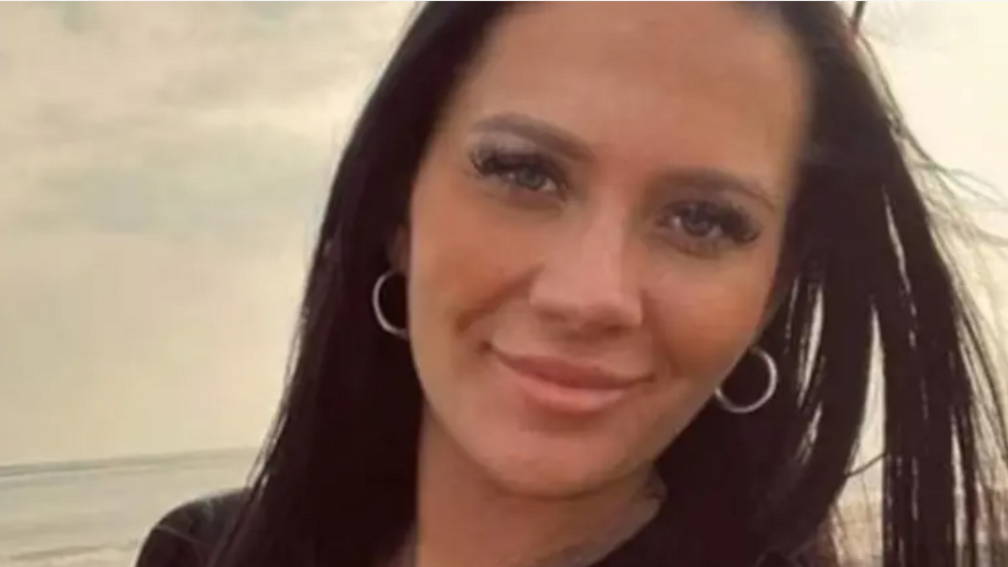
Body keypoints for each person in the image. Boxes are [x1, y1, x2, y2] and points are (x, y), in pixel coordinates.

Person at [135, 3, 1008, 567]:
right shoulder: (205, 553)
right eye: (524, 173)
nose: (590, 294)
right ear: (397, 208)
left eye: (704, 220)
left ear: (770, 290)